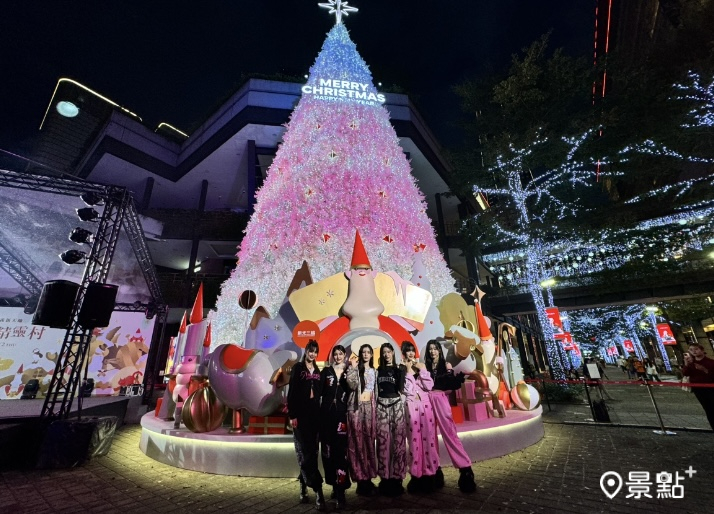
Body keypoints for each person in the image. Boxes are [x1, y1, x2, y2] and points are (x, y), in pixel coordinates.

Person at [424, 339, 477, 493]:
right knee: (430, 436)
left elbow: (451, 386)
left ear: (440, 350)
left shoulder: (446, 366)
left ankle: (465, 468)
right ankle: (434, 470)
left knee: (450, 435)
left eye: (435, 349)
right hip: (428, 401)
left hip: (440, 400)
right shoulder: (426, 367)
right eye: (430, 349)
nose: (433, 351)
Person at [287, 340, 326, 510]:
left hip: (315, 416)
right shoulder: (298, 368)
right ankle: (318, 490)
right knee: (304, 453)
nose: (313, 354)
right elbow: (292, 391)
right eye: (310, 351)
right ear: (306, 351)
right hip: (300, 417)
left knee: (312, 453)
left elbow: (321, 393)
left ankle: (303, 485)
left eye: (315, 352)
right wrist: (292, 415)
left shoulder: (318, 370)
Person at [400, 341, 439, 493]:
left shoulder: (422, 366)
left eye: (412, 350)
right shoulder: (402, 369)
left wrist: (421, 371)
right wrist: (408, 371)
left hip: (426, 407)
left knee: (429, 441)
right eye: (407, 351)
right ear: (403, 354)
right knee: (414, 442)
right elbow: (407, 390)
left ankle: (430, 474)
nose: (410, 353)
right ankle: (416, 474)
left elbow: (429, 386)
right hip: (411, 408)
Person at [320, 345, 351, 509]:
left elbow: (354, 389)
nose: (338, 357)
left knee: (341, 454)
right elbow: (318, 392)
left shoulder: (349, 372)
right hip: (326, 416)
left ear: (345, 355)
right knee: (328, 453)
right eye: (336, 354)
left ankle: (341, 491)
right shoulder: (326, 372)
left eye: (341, 354)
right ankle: (333, 485)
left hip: (342, 417)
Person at [345, 344, 378, 496]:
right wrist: (352, 367)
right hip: (356, 408)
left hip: (370, 409)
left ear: (371, 355)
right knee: (357, 444)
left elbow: (375, 393)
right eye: (363, 352)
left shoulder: (375, 372)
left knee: (369, 443)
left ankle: (368, 477)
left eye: (368, 352)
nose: (365, 354)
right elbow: (351, 385)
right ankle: (360, 478)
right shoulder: (355, 370)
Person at [375, 342, 407, 496]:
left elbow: (400, 389)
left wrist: (402, 371)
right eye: (384, 352)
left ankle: (397, 478)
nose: (386, 354)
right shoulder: (378, 370)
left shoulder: (398, 369)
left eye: (389, 352)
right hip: (381, 406)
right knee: (383, 443)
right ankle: (385, 478)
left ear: (393, 353)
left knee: (398, 443)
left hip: (396, 405)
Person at [682, 343, 714, 430]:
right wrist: (686, 364)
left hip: (710, 389)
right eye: (691, 350)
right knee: (708, 409)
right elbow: (685, 373)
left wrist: (704, 370)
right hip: (698, 389)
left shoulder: (710, 362)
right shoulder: (691, 363)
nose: (694, 351)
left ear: (702, 350)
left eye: (696, 349)